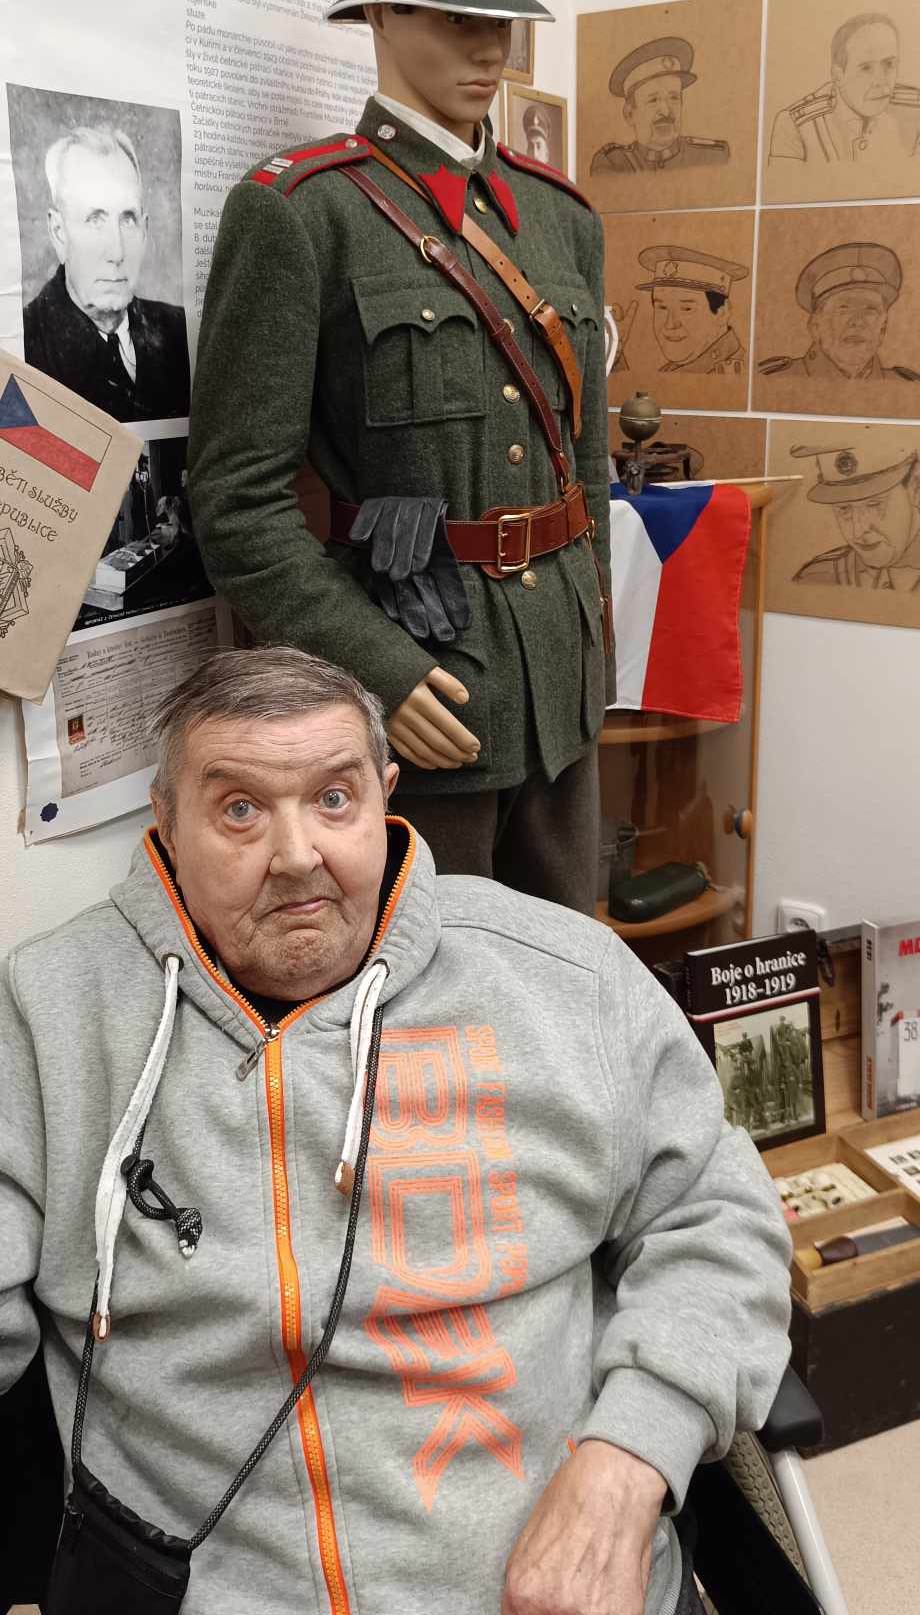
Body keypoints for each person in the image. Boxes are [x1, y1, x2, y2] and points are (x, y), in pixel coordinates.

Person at [0, 648, 792, 1615]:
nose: (298, 854)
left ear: (385, 797)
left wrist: (630, 1461)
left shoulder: (562, 976)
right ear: (166, 823)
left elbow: (717, 1219)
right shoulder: (49, 1016)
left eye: (334, 800)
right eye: (240, 809)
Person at [188, 0, 612, 917]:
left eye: (502, 20)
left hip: (561, 690)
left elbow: (587, 464)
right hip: (425, 686)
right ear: (379, 11)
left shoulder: (561, 220)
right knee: (427, 990)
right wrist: (376, 666)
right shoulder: (302, 212)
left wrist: (591, 644)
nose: (489, 49)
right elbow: (237, 502)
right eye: (456, 16)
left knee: (572, 971)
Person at [23, 125, 190, 422]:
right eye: (95, 220)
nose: (117, 252)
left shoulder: (180, 331)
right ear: (59, 232)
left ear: (145, 230)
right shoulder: (24, 342)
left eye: (128, 220)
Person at [768, 14, 920, 170]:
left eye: (889, 64)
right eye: (866, 68)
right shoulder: (796, 126)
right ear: (838, 76)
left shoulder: (915, 113)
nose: (880, 81)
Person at [758, 242, 920, 382]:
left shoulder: (907, 386)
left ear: (882, 329)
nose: (858, 321)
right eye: (844, 309)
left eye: (870, 310)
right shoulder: (774, 380)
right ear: (815, 326)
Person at [790, 442, 920, 589]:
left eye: (873, 504)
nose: (857, 531)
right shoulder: (819, 576)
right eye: (844, 508)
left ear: (915, 487)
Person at [590, 38, 730, 174]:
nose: (666, 111)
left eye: (674, 98)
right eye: (653, 100)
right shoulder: (613, 164)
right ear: (630, 114)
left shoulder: (714, 156)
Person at [636, 246, 748, 375]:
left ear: (722, 313)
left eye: (687, 309)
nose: (670, 325)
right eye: (662, 307)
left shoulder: (737, 372)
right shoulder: (676, 368)